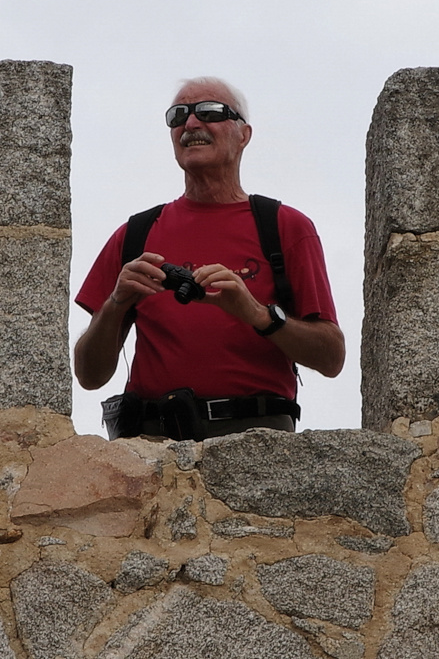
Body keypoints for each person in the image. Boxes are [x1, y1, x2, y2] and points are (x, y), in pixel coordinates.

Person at [74, 77, 345, 440]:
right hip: (153, 447)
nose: (190, 123)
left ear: (244, 135)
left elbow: (331, 358)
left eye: (210, 111)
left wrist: (257, 315)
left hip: (256, 443)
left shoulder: (286, 227)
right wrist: (116, 303)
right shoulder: (134, 235)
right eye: (177, 115)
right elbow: (89, 375)